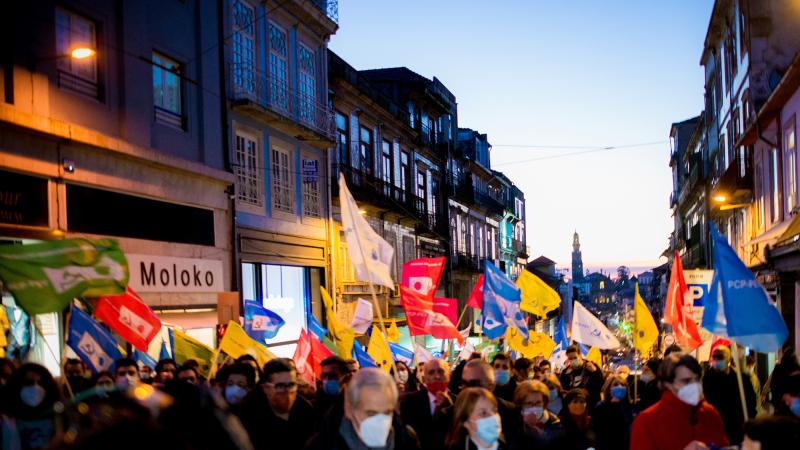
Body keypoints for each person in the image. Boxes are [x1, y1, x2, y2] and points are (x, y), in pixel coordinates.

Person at [305, 367, 421, 450]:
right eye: (371, 413)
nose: (380, 421)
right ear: (349, 410)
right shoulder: (321, 445)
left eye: (387, 412)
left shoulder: (407, 439)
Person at [630, 353, 729, 450]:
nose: (694, 385)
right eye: (686, 381)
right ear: (667, 384)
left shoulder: (710, 414)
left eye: (697, 380)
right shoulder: (646, 422)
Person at [239, 358, 315, 450]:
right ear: (266, 388)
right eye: (280, 386)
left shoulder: (305, 410)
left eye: (291, 385)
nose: (288, 391)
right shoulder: (248, 413)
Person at [702, 345, 756, 444]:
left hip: (736, 427)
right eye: (714, 357)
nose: (716, 360)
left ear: (729, 358)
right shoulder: (707, 378)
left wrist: (750, 422)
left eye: (720, 357)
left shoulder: (741, 379)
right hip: (714, 426)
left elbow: (750, 402)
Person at [0, 362, 61, 449]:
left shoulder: (58, 418)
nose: (36, 387)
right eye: (29, 382)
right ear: (17, 385)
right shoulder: (6, 420)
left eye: (41, 383)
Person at [400, 358, 452, 450]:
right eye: (431, 372)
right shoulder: (410, 401)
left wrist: (450, 406)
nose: (436, 376)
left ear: (449, 375)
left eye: (440, 371)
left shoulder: (459, 401)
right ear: (425, 379)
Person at [507, 380, 565, 450]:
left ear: (544, 403)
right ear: (520, 404)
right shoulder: (513, 422)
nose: (534, 407)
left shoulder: (556, 425)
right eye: (529, 403)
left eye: (538, 403)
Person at [592, 374, 632, 450]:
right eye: (616, 385)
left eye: (622, 385)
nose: (620, 387)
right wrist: (614, 405)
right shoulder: (601, 406)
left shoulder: (627, 406)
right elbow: (602, 431)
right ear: (609, 389)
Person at [558, 345, 604, 411]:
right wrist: (565, 377)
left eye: (575, 357)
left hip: (590, 407)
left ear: (580, 355)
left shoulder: (591, 366)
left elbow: (601, 385)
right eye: (570, 359)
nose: (573, 360)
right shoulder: (566, 372)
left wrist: (595, 372)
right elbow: (563, 390)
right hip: (573, 408)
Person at [315, 355, 348, 427]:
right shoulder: (316, 402)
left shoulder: (354, 403)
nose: (327, 379)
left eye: (332, 375)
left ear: (345, 377)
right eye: (324, 376)